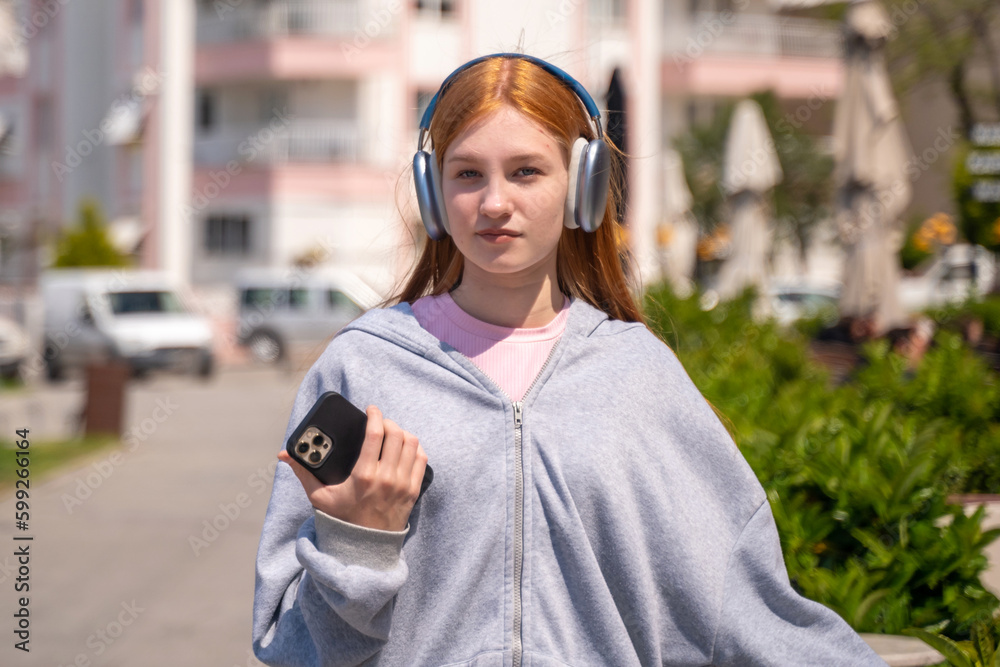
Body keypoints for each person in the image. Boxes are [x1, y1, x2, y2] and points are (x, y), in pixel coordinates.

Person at [252, 54, 887, 666]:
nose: (494, 203)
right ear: (433, 189)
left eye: (526, 171)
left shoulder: (638, 375)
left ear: (581, 188)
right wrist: (359, 545)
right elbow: (292, 645)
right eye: (467, 174)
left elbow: (747, 612)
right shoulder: (364, 370)